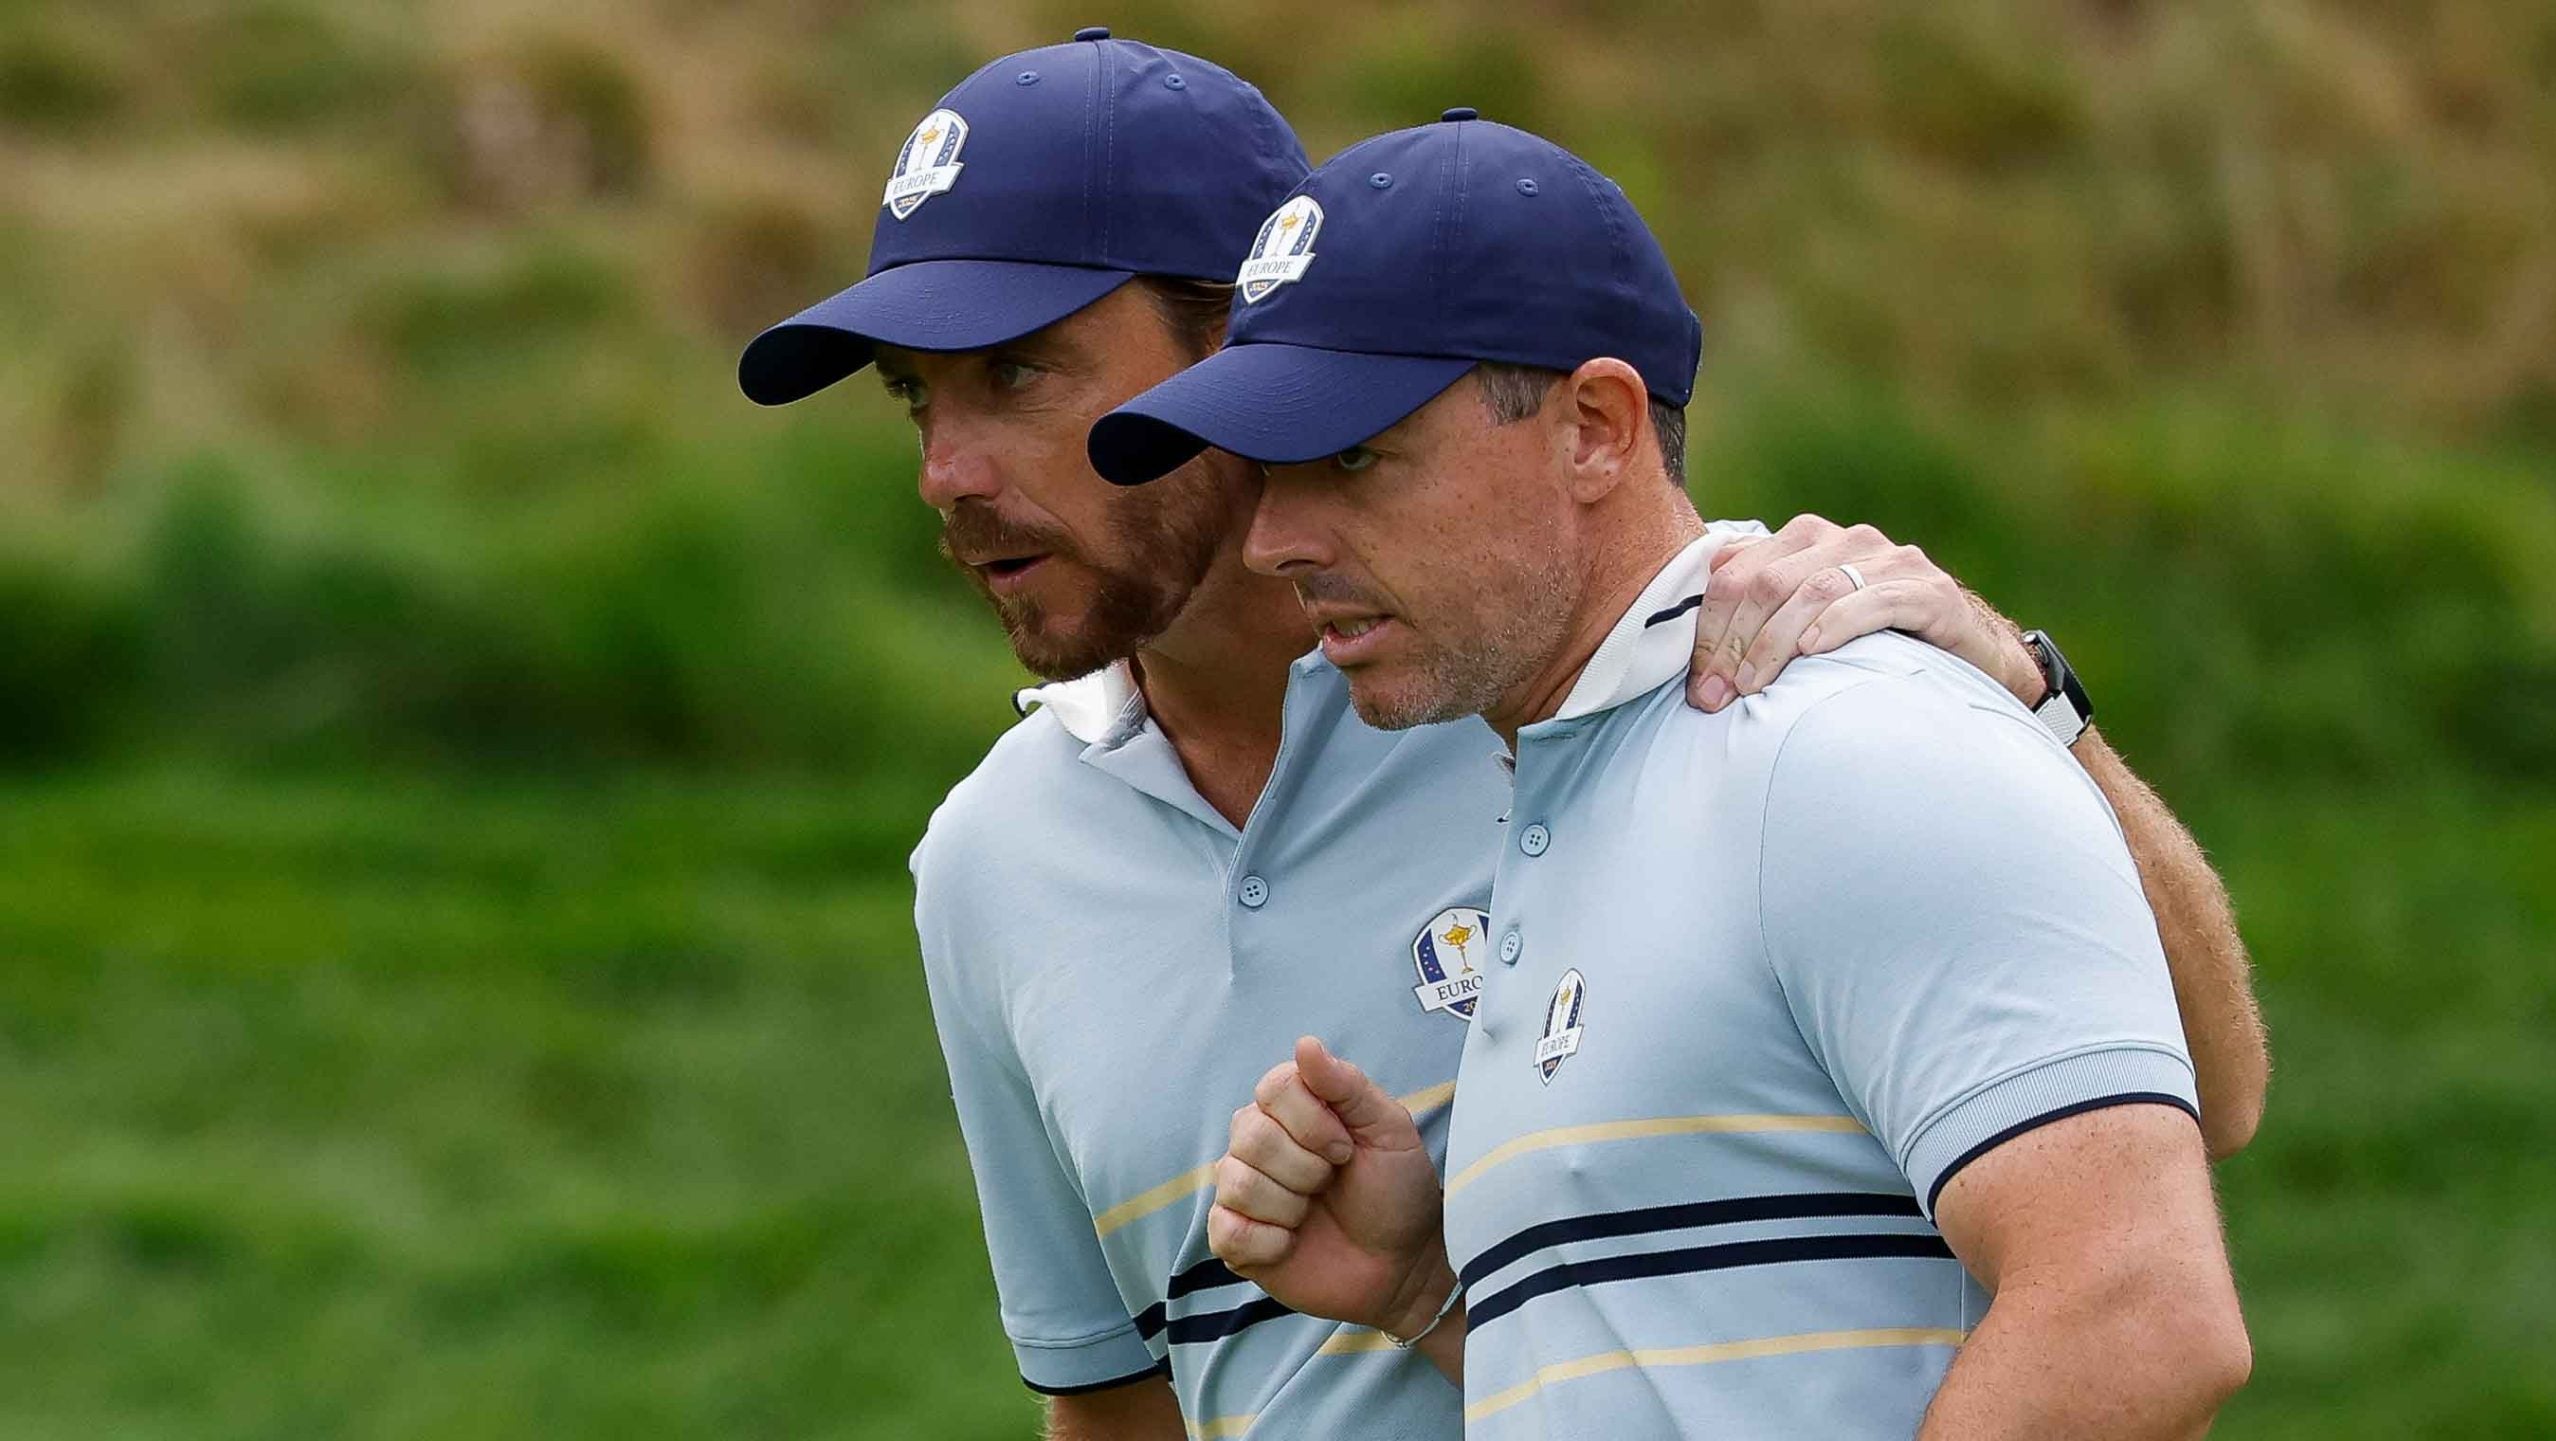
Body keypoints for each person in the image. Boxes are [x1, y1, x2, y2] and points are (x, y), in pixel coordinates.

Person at [741, 35, 2265, 1440]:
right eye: (913, 399)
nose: (945, 471)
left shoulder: (1719, 688)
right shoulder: (999, 860)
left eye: (1015, 371)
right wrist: (1425, 1290)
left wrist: (2025, 701)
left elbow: (2170, 1170)